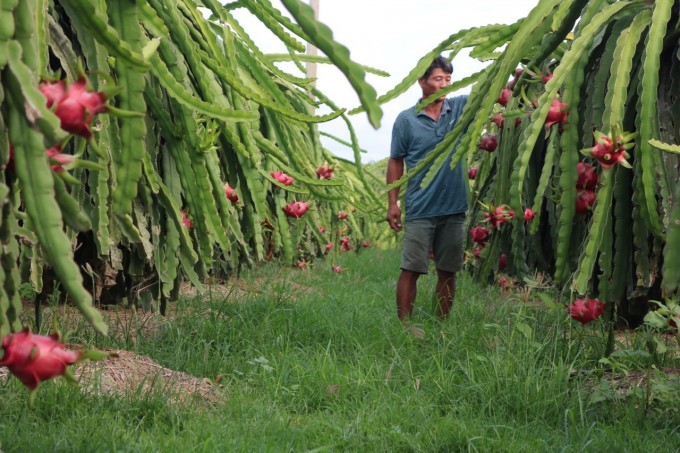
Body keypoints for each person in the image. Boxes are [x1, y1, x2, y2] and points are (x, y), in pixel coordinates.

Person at [386, 55, 468, 323]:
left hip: (454, 206)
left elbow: (493, 95)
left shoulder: (459, 107)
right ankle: (405, 326)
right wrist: (392, 203)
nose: (444, 85)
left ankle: (440, 326)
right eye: (438, 79)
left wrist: (515, 79)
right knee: (411, 268)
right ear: (422, 82)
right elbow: (396, 161)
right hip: (420, 207)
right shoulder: (406, 120)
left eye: (448, 79)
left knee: (448, 271)